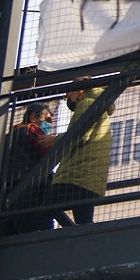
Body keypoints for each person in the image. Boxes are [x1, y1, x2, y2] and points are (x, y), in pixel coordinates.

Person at [44, 87, 113, 225]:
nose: (68, 97)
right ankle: (85, 240)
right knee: (84, 220)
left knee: (47, 206)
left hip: (77, 173)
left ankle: (73, 235)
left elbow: (80, 135)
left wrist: (55, 140)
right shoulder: (99, 105)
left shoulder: (87, 103)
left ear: (80, 91)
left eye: (69, 93)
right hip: (90, 176)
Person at [1, 103, 55, 235]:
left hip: (6, 188)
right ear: (33, 118)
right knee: (35, 227)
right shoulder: (32, 130)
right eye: (46, 119)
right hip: (28, 186)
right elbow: (45, 152)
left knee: (11, 230)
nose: (48, 124)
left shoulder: (10, 135)